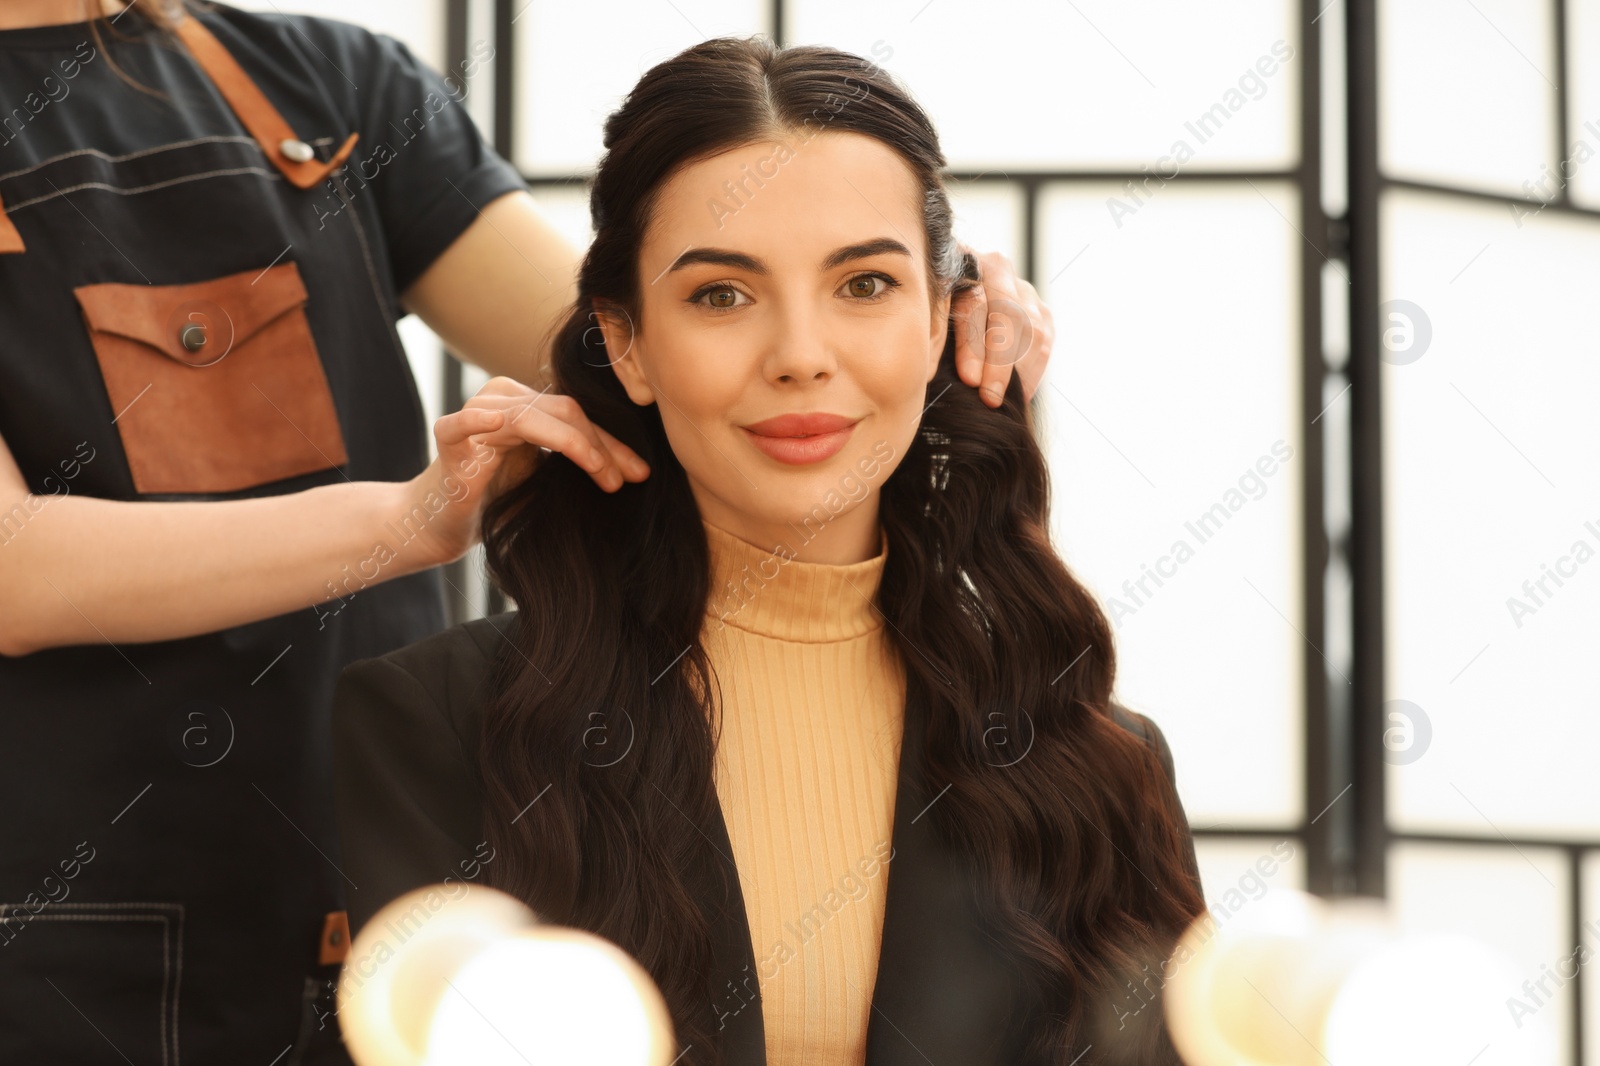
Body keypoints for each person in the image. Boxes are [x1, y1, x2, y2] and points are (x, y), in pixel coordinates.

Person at [0, 2, 1053, 1064]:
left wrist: (905, 311)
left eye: (870, 285)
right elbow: (11, 568)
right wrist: (412, 519)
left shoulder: (328, 87)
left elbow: (653, 349)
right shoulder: (435, 716)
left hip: (392, 865)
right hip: (86, 909)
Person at [331, 34, 1205, 1066]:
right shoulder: (434, 727)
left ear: (940, 323)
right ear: (626, 344)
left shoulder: (1097, 761)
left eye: (865, 286)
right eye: (721, 295)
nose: (799, 355)